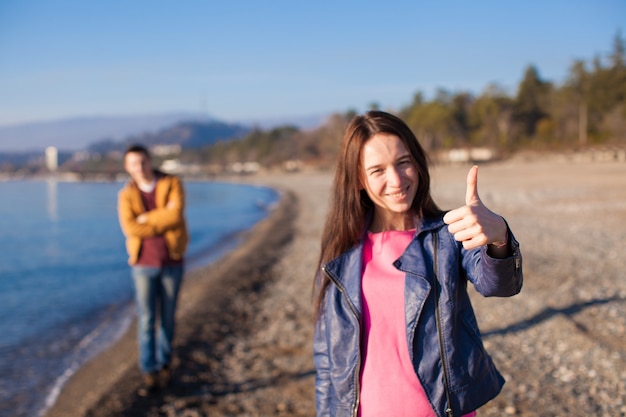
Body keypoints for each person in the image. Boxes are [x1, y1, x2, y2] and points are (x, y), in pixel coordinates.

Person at [313, 111, 523, 417]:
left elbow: (500, 285)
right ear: (359, 179)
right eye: (377, 170)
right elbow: (327, 359)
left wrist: (499, 238)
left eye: (403, 162)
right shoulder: (340, 255)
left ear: (418, 163)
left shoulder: (447, 235)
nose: (396, 180)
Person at [117, 144, 189, 396]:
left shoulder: (171, 183)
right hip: (142, 264)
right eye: (133, 164)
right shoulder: (126, 195)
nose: (139, 167)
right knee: (147, 319)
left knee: (168, 318)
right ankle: (149, 369)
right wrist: (161, 217)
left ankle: (166, 364)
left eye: (143, 162)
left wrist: (147, 218)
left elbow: (176, 216)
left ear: (150, 161)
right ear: (127, 167)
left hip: (172, 261)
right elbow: (131, 229)